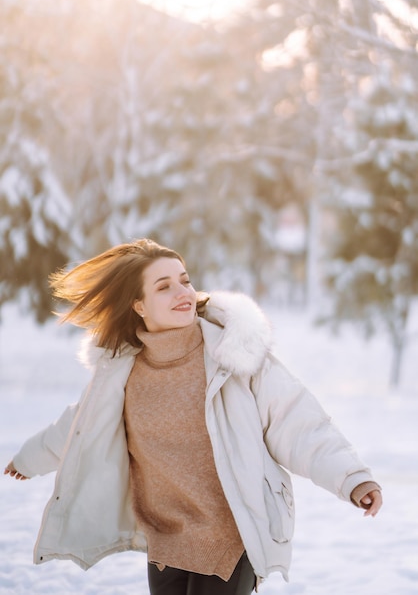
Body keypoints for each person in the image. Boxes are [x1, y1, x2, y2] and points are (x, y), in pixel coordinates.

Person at [4, 238, 382, 595]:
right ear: (139, 305)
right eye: (164, 286)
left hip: (233, 533)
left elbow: (297, 422)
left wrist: (352, 478)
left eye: (185, 281)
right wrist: (29, 459)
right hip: (165, 537)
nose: (183, 293)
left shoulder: (235, 355)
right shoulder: (121, 371)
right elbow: (80, 426)